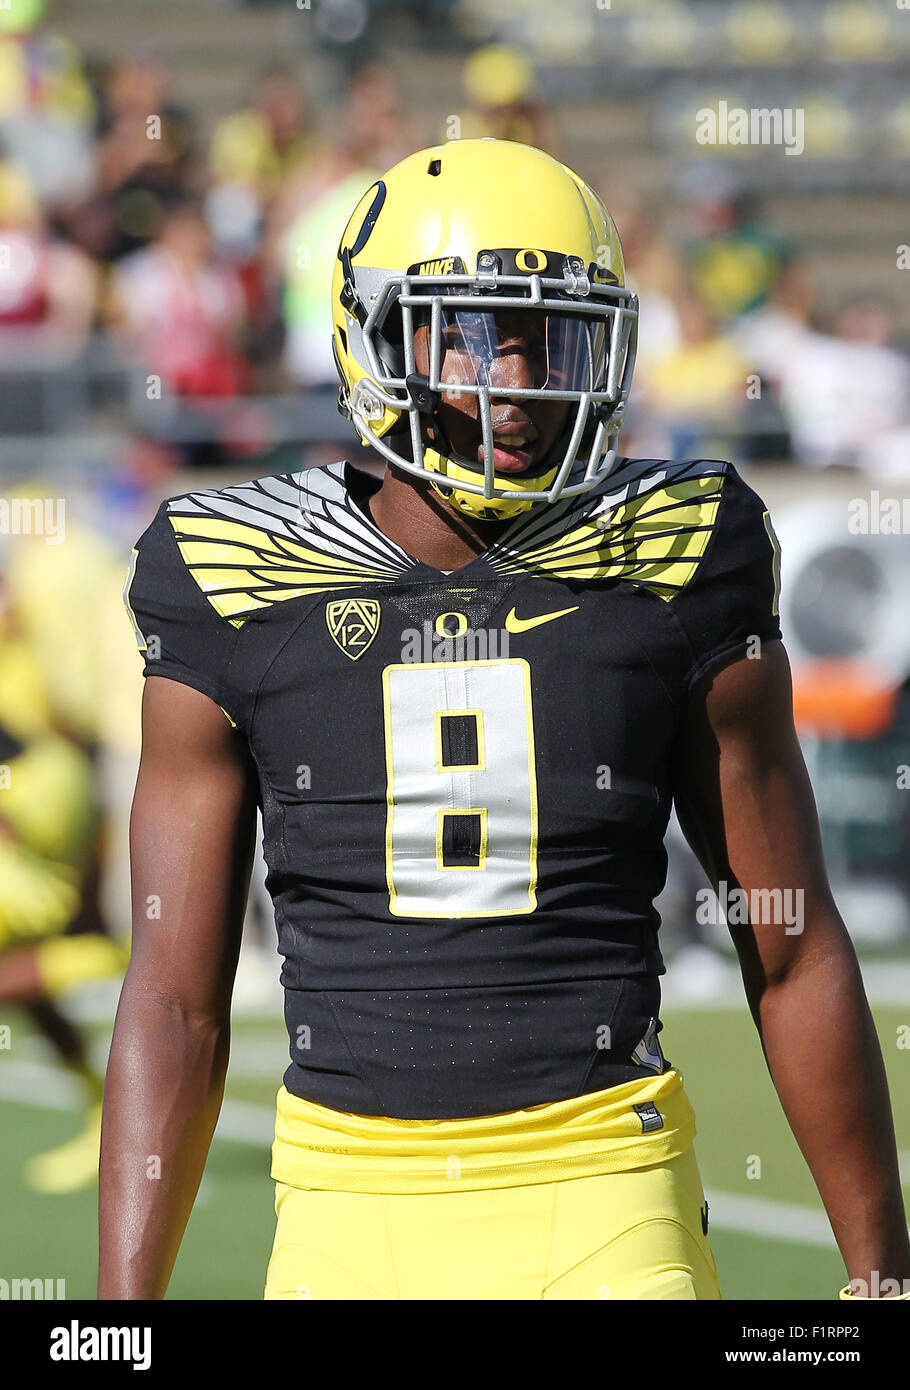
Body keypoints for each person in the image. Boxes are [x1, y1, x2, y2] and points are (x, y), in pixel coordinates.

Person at [100, 138, 910, 1301]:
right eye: (475, 331)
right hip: (344, 1201)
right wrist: (119, 1318)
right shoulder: (235, 573)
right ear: (373, 338)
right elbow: (176, 998)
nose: (519, 374)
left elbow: (787, 946)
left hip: (605, 1189)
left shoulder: (675, 551)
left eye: (550, 334)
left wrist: (879, 1277)